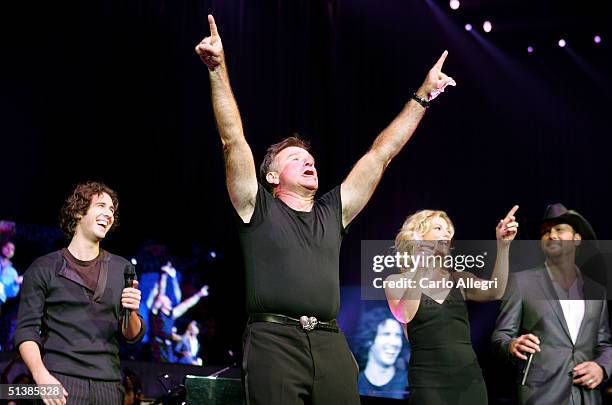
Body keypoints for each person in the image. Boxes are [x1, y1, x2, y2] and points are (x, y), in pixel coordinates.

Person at [195, 13, 456, 405]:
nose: (308, 161)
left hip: (330, 342)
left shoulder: (332, 212)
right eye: (294, 158)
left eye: (310, 157)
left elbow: (380, 154)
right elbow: (233, 139)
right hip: (274, 341)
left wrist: (423, 96)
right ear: (270, 177)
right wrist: (218, 69)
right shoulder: (256, 206)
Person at [14, 181, 146, 405]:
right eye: (101, 205)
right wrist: (41, 376)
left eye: (112, 209)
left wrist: (132, 312)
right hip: (60, 382)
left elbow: (131, 335)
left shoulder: (121, 268)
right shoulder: (44, 267)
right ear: (77, 212)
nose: (109, 213)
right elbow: (26, 331)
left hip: (108, 386)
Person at [385, 207, 518, 404]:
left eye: (449, 231)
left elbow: (495, 291)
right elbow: (405, 314)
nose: (447, 233)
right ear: (418, 235)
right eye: (438, 228)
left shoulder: (459, 279)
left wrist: (503, 246)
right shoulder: (395, 281)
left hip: (468, 380)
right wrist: (421, 266)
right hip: (428, 381)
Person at [492, 203, 612, 405]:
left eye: (559, 229)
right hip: (541, 395)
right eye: (546, 231)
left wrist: (602, 368)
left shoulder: (595, 290)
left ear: (577, 239)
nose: (552, 235)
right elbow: (500, 336)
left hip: (587, 397)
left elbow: (604, 343)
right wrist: (512, 345)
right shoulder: (522, 282)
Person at [149, 271, 208, 363]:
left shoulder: (172, 314)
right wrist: (164, 276)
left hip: (167, 347)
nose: (168, 300)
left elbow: (186, 305)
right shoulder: (156, 313)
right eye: (165, 298)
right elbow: (161, 292)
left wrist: (199, 294)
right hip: (156, 345)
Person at [354, 306, 408, 399]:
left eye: (398, 335)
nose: (394, 343)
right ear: (369, 341)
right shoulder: (354, 383)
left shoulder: (409, 382)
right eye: (386, 334)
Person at [1, 237, 23, 350]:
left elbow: (14, 286)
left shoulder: (12, 268)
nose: (10, 250)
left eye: (12, 249)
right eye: (7, 247)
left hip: (5, 301)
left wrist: (19, 281)